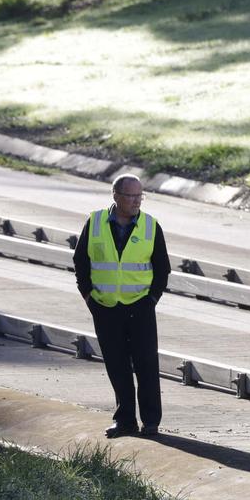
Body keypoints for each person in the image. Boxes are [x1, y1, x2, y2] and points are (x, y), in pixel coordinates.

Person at [72, 174, 170, 438]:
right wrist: (89, 297)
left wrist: (150, 301)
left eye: (140, 196)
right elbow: (80, 261)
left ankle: (151, 422)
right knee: (117, 365)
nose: (137, 201)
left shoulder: (151, 226)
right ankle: (125, 420)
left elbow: (163, 269)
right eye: (131, 196)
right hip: (105, 307)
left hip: (140, 307)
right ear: (115, 196)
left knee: (146, 364)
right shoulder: (94, 223)